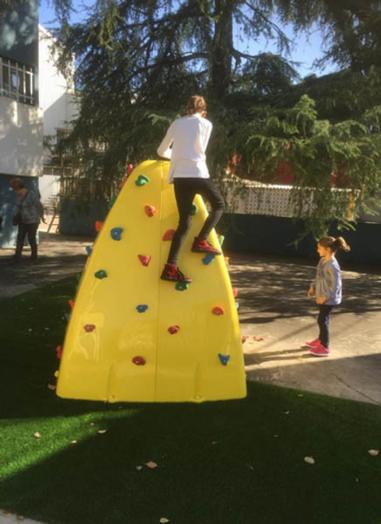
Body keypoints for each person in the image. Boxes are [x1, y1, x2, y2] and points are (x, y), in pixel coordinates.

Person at [157, 95, 225, 283]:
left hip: (179, 177)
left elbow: (161, 151)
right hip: (197, 173)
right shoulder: (206, 124)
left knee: (184, 223)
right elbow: (199, 150)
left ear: (187, 109)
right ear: (203, 111)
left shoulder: (176, 124)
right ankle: (201, 240)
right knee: (219, 205)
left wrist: (178, 157)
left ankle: (170, 268)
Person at [305, 236, 351, 357]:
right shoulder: (322, 260)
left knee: (322, 320)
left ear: (328, 249)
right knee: (322, 319)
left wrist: (326, 297)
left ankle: (325, 347)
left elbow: (336, 285)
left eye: (319, 248)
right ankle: (320, 340)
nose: (317, 250)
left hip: (330, 299)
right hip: (322, 295)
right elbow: (318, 276)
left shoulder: (333, 265)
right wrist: (313, 287)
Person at [9, 177, 45, 263]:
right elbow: (18, 208)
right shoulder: (19, 196)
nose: (14, 191)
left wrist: (42, 216)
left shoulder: (31, 194)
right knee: (20, 237)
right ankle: (17, 256)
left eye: (14, 188)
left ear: (18, 187)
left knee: (31, 238)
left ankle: (34, 256)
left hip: (33, 220)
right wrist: (15, 217)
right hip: (23, 220)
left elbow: (39, 206)